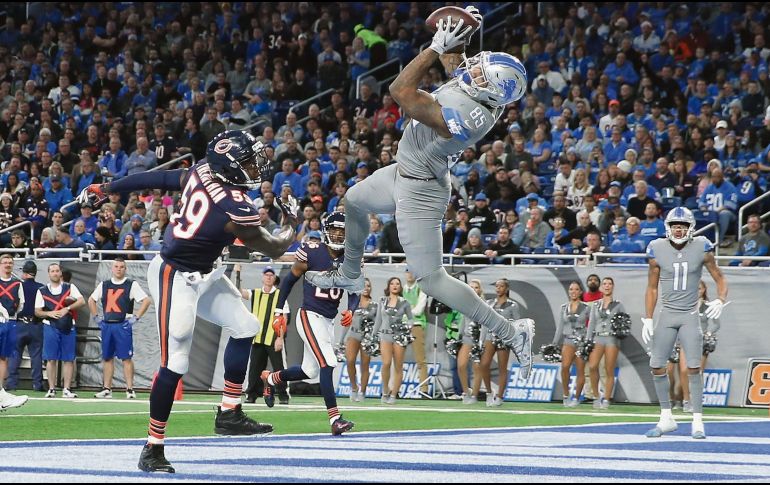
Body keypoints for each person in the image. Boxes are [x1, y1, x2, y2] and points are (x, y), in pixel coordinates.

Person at [305, 13, 536, 379]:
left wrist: (432, 47)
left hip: (421, 191)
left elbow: (400, 93)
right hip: (403, 172)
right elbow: (456, 62)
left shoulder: (471, 116)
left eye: (480, 73)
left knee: (431, 280)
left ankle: (511, 331)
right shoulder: (479, 90)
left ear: (490, 92)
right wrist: (459, 29)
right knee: (353, 201)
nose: (473, 69)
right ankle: (349, 274)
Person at [77, 130, 298, 473]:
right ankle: (152, 447)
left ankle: (229, 412)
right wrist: (292, 222)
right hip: (174, 275)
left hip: (205, 271)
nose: (256, 168)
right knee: (175, 362)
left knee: (246, 326)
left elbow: (159, 177)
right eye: (248, 163)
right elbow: (274, 247)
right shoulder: (234, 207)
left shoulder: (204, 170)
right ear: (230, 167)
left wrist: (106, 188)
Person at [261, 211, 357, 435]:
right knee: (328, 362)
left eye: (342, 231)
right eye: (334, 229)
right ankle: (335, 419)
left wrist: (351, 310)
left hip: (328, 320)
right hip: (309, 314)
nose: (338, 234)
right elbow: (289, 280)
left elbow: (354, 290)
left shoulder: (351, 258)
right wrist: (279, 310)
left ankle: (272, 378)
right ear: (326, 231)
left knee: (310, 370)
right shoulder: (313, 252)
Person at [643, 207, 728, 439]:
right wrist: (648, 317)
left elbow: (719, 276)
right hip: (667, 313)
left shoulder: (702, 246)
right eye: (674, 226)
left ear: (690, 228)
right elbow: (651, 287)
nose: (678, 230)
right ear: (668, 227)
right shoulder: (657, 249)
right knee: (656, 365)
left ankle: (698, 420)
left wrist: (721, 298)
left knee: (693, 367)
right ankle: (666, 416)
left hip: (690, 314)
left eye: (682, 226)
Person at [88, 257, 152, 400]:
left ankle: (129, 389)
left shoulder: (131, 284)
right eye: (116, 266)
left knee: (126, 358)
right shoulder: (104, 285)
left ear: (125, 268)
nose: (119, 269)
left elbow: (146, 301)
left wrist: (135, 318)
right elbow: (91, 300)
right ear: (112, 268)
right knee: (107, 357)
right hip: (107, 324)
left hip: (123, 325)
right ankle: (106, 389)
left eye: (121, 267)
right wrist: (96, 318)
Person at [237, 265, 289, 405]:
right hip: (258, 337)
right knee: (254, 368)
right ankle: (252, 394)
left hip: (273, 338)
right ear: (262, 277)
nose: (268, 277)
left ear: (274, 278)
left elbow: (284, 318)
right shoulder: (256, 293)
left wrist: (280, 337)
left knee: (279, 367)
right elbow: (239, 292)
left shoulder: (280, 295)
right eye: (266, 274)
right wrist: (237, 273)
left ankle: (283, 394)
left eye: (271, 275)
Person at [35, 262, 86, 399]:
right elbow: (37, 312)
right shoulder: (42, 290)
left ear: (60, 273)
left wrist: (68, 308)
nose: (55, 273)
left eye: (57, 271)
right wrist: (49, 313)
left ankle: (66, 388)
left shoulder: (70, 287)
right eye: (52, 271)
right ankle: (51, 388)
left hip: (68, 326)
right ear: (49, 273)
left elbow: (81, 301)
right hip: (50, 326)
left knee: (68, 358)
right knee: (51, 358)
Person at [676, 280, 721, 413]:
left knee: (697, 372)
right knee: (684, 371)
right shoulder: (685, 305)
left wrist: (708, 332)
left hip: (701, 342)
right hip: (685, 340)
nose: (697, 291)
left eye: (700, 289)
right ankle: (685, 400)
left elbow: (716, 323)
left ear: (704, 290)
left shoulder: (708, 306)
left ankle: (695, 400)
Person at [371, 276, 414, 404]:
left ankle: (394, 395)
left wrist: (407, 328)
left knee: (398, 366)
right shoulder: (382, 300)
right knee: (386, 363)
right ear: (388, 286)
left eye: (397, 284)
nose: (395, 286)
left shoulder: (405, 302)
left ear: (400, 287)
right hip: (385, 336)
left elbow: (411, 319)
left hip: (399, 336)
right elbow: (378, 319)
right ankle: (385, 391)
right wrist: (373, 336)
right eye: (392, 283)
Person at [478, 279, 521, 407]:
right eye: (496, 286)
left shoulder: (513, 305)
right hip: (490, 336)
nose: (498, 288)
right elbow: (485, 322)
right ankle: (489, 393)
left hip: (504, 338)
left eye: (501, 286)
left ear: (506, 288)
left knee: (502, 368)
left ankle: (500, 396)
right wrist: (481, 339)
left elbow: (517, 324)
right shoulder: (489, 303)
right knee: (484, 364)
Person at [585, 277, 626, 409]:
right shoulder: (595, 304)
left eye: (609, 284)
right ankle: (596, 396)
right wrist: (587, 340)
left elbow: (623, 323)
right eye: (605, 284)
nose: (607, 286)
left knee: (609, 369)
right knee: (592, 366)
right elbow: (591, 323)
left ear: (613, 287)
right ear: (601, 287)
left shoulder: (618, 305)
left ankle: (607, 399)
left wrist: (619, 335)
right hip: (597, 338)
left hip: (611, 338)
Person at [6, 261, 45, 392]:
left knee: (15, 354)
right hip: (36, 324)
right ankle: (37, 384)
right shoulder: (42, 288)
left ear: (24, 273)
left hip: (19, 324)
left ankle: (11, 384)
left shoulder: (18, 286)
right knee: (36, 355)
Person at [337, 277, 378, 402]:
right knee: (350, 361)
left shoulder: (375, 305)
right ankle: (354, 388)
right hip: (353, 335)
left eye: (368, 286)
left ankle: (363, 391)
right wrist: (341, 339)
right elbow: (347, 322)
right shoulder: (353, 303)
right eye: (364, 285)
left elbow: (377, 323)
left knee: (365, 365)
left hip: (367, 337)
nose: (366, 288)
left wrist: (374, 338)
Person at [553, 281, 591, 407]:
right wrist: (554, 343)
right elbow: (560, 327)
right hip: (568, 340)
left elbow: (591, 326)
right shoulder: (564, 307)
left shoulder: (586, 307)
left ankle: (576, 397)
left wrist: (589, 341)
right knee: (565, 367)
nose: (573, 292)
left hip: (581, 341)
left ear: (580, 292)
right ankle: (565, 394)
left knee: (580, 370)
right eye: (571, 289)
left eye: (576, 289)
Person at [0, 254, 28, 410]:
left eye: (10, 263)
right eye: (4, 263)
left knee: (4, 357)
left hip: (10, 321)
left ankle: (1, 392)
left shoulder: (17, 283)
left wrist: (11, 316)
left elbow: (21, 304)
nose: (7, 265)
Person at [459, 279, 486, 404]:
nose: (473, 289)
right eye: (471, 287)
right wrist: (459, 335)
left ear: (479, 290)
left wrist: (483, 340)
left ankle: (475, 395)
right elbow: (463, 321)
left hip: (479, 339)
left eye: (476, 287)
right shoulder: (464, 303)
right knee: (461, 365)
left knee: (477, 367)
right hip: (466, 338)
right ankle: (466, 391)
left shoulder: (485, 305)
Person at [403, 268, 429, 397]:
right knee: (396, 358)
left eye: (412, 271)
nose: (410, 274)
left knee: (420, 359)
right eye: (407, 271)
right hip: (402, 326)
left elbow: (419, 310)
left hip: (417, 325)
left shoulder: (421, 288)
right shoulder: (402, 289)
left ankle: (424, 389)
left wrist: (405, 311)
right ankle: (393, 389)